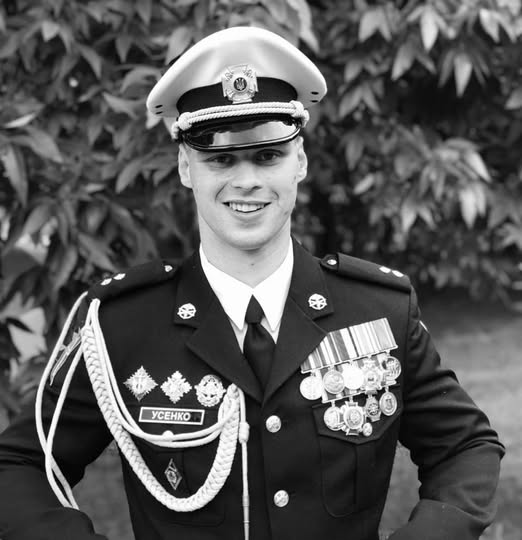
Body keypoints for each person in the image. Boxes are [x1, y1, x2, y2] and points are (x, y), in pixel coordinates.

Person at [0, 26, 504, 540]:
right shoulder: (121, 325)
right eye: (220, 159)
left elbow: (465, 447)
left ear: (299, 162)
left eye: (268, 156)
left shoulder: (378, 309)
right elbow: (18, 464)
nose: (246, 181)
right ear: (186, 167)